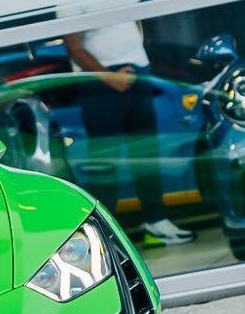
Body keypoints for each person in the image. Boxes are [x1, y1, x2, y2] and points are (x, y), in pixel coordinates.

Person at [63, 25, 195, 248]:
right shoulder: (71, 0)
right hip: (101, 81)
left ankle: (156, 223)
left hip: (137, 71)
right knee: (106, 163)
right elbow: (74, 48)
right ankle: (102, 237)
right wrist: (109, 76)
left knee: (146, 154)